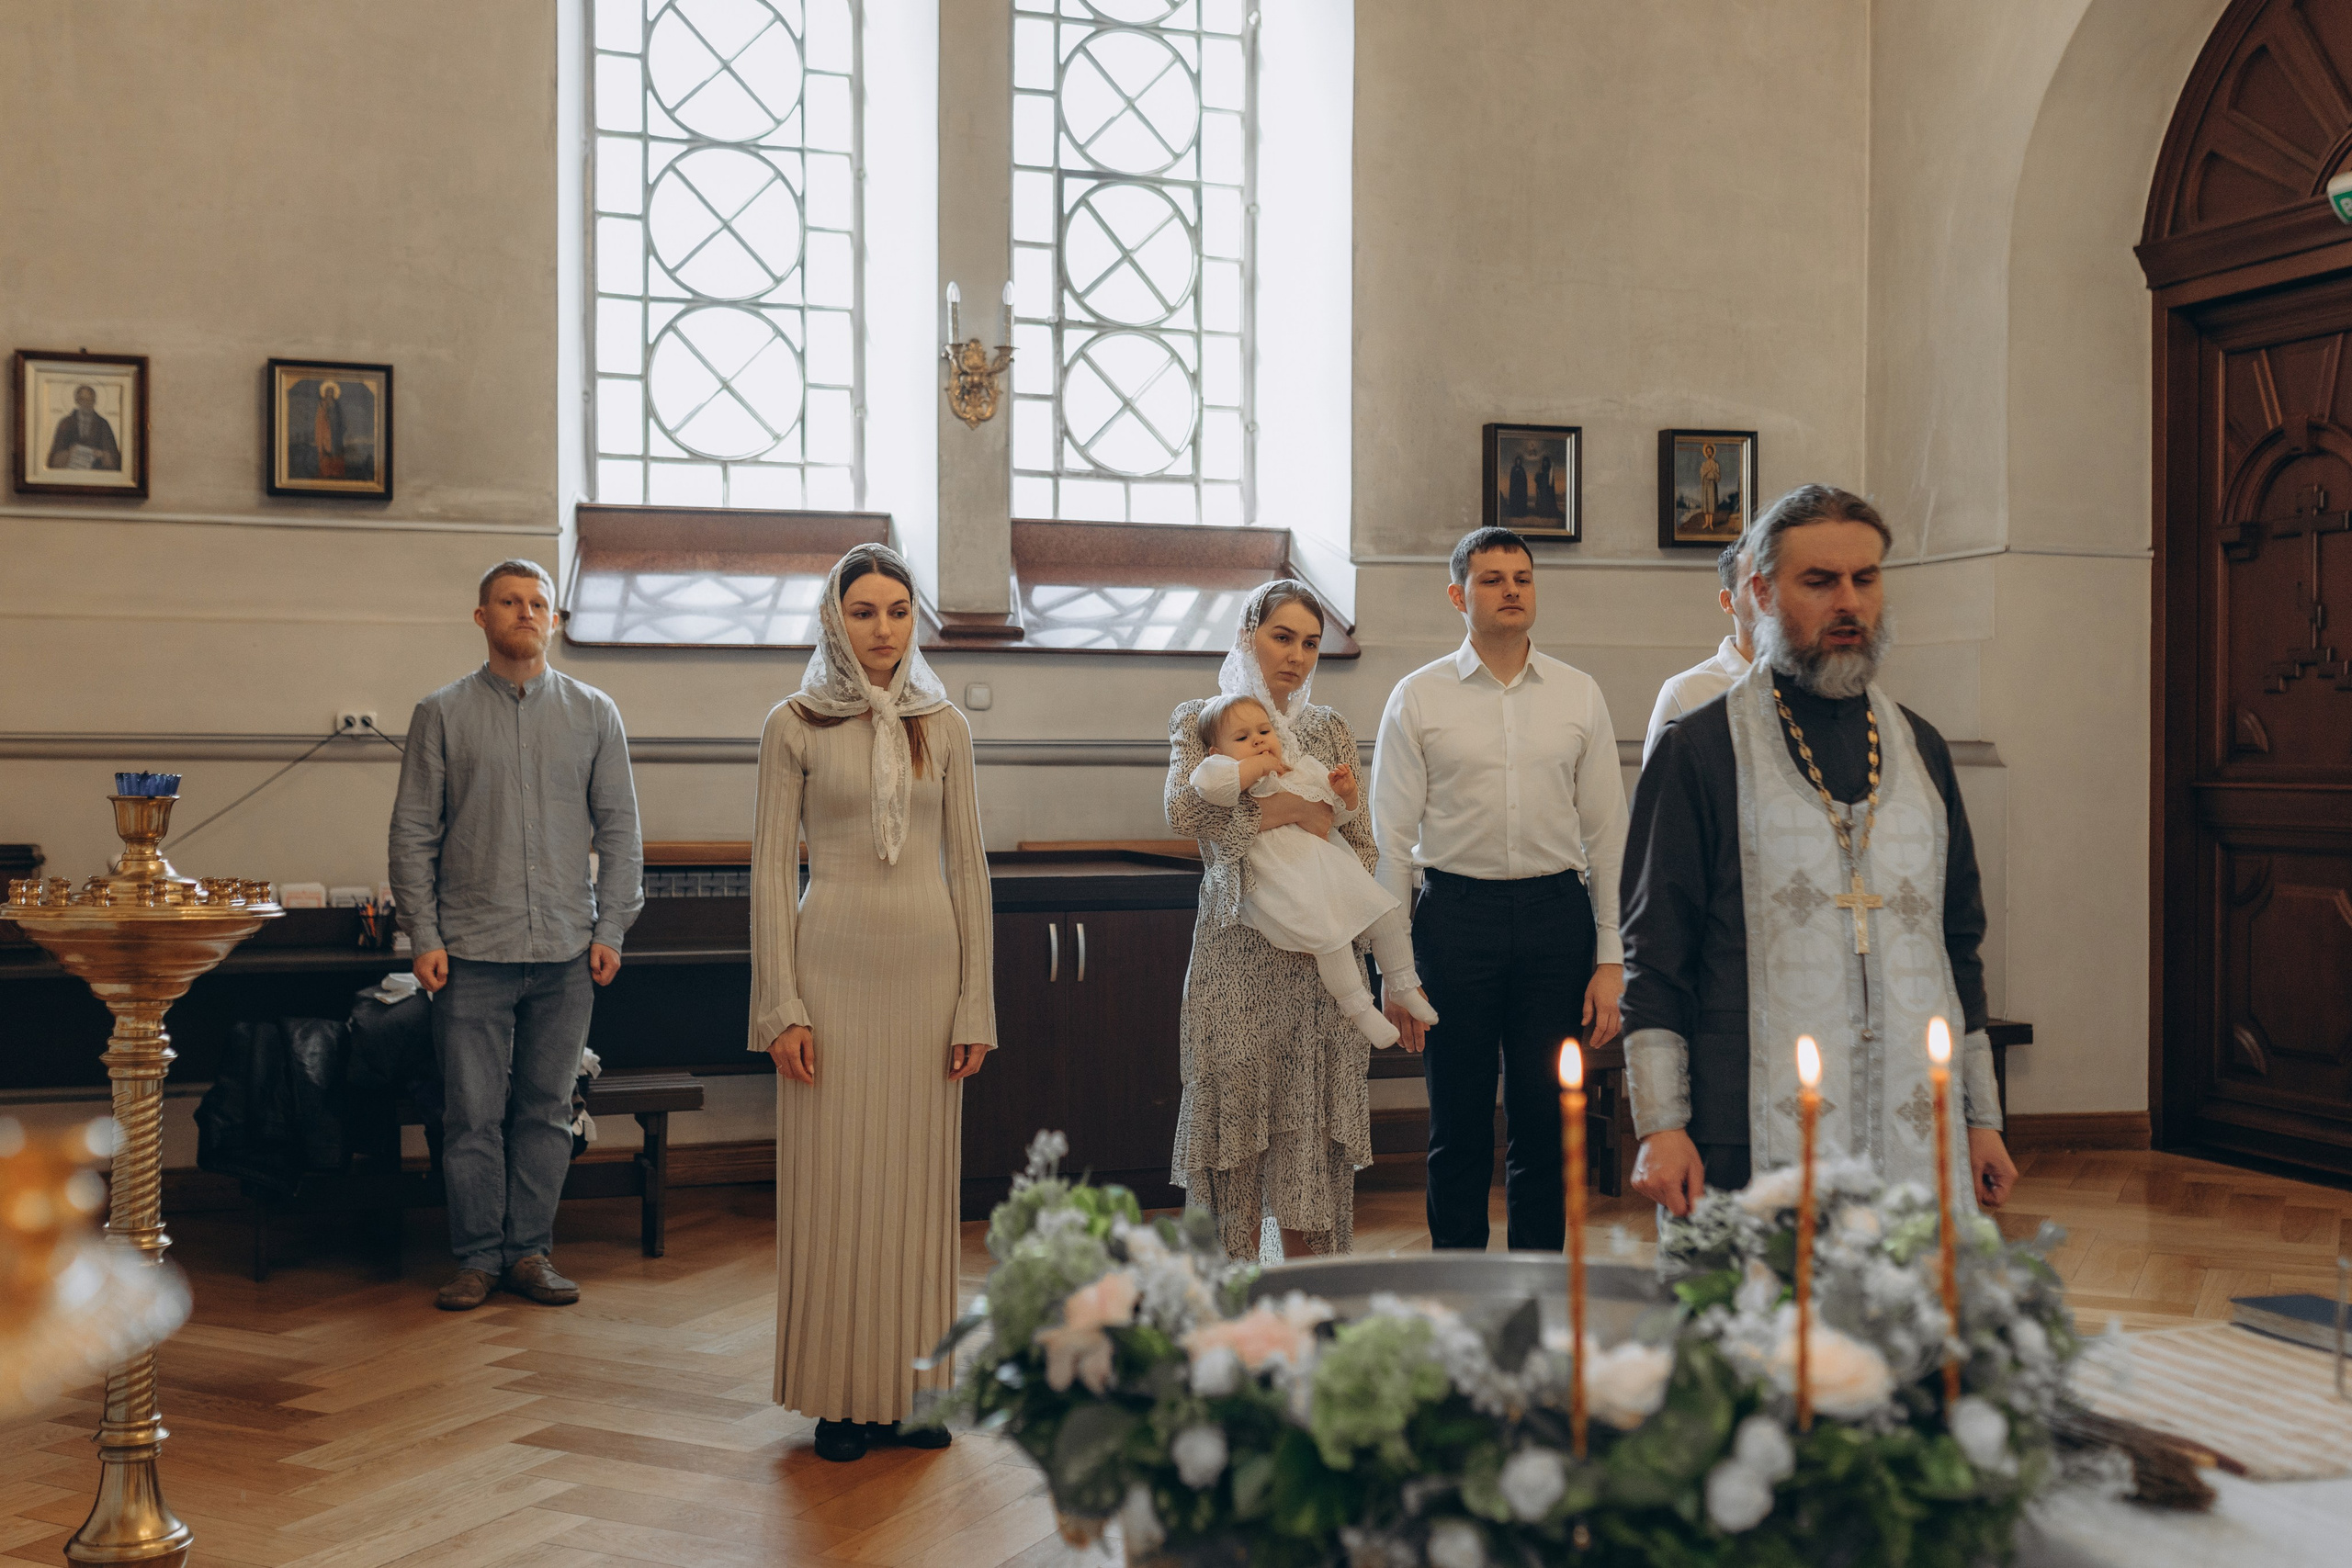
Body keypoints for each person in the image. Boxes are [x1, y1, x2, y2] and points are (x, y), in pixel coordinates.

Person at [1618, 484, 2018, 1219]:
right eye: (1820, 581)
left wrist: (1980, 1117)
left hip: (1912, 1124)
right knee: (1754, 1298)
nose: (1849, 602)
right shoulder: (1700, 750)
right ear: (1762, 594)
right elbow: (1656, 952)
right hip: (1743, 1123)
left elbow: (1957, 944)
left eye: (1865, 578)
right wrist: (1662, 1124)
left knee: (1903, 1294)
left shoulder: (1920, 748)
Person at [751, 543, 995, 1466]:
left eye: (898, 611)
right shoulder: (794, 723)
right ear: (834, 618)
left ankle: (914, 1395)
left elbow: (968, 871)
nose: (883, 629)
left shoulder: (946, 725)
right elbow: (770, 873)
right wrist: (780, 1005)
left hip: (929, 970)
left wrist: (977, 1003)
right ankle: (840, 1397)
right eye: (864, 611)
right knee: (836, 1182)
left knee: (920, 1189)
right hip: (830, 968)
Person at [388, 558, 643, 1313]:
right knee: (470, 1115)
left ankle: (530, 1253)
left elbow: (621, 831)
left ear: (554, 620)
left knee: (546, 1110)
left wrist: (612, 925)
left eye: (538, 602)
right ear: (482, 617)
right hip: (470, 950)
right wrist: (424, 933)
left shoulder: (595, 713)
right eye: (509, 601)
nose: (526, 612)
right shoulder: (440, 714)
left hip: (568, 949)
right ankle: (475, 1258)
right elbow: (412, 833)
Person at [1371, 526, 1629, 1253]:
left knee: (1545, 1120)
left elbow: (1609, 834)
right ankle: (1457, 1283)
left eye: (1522, 577)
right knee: (1457, 1123)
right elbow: (1389, 840)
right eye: (1492, 579)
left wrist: (1612, 957)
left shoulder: (1578, 693)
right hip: (1455, 919)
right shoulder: (1418, 697)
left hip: (1557, 917)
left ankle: (1538, 1284)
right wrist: (1395, 968)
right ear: (1458, 596)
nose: (1511, 589)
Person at [1166, 579, 1374, 1262]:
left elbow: (1361, 841)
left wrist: (1329, 885)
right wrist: (1292, 811)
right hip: (1238, 951)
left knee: (1309, 1142)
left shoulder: (1328, 728)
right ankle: (1232, 1309)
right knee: (1235, 1148)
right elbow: (1186, 812)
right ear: (1247, 635)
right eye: (1282, 637)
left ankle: (1308, 1305)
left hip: (1319, 965)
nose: (1296, 656)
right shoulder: (1202, 716)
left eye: (1310, 643)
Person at [1187, 692, 1439, 1048]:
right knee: (1330, 941)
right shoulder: (1220, 772)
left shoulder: (1301, 769)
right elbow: (1209, 787)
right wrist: (1259, 767)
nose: (1258, 741)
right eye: (1242, 738)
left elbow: (1337, 815)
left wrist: (1345, 793)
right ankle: (1360, 1010)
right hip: (1282, 881)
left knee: (1385, 915)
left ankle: (1403, 983)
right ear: (1217, 752)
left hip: (1330, 869)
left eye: (1264, 732)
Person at [1642, 539, 1757, 764]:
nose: (1772, 597)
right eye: (1755, 585)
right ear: (1727, 601)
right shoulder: (1684, 693)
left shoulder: (1812, 683)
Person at [47, 384, 120, 471]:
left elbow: (114, 458)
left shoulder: (103, 424)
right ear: (77, 401)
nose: (86, 403)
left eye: (90, 400)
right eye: (82, 399)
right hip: (71, 472)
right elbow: (54, 459)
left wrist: (101, 454)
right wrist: (69, 453)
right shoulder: (66, 423)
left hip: (96, 472)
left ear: (94, 401)